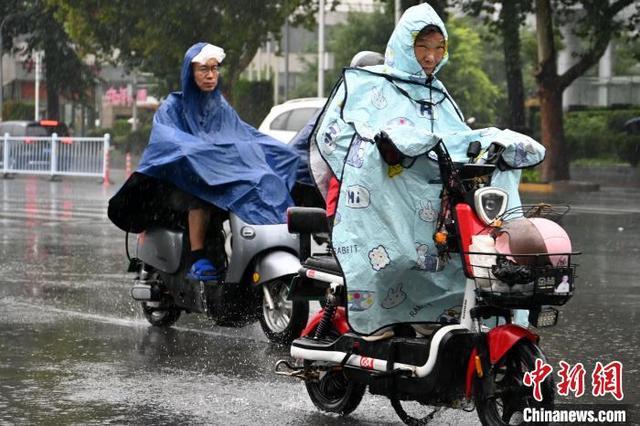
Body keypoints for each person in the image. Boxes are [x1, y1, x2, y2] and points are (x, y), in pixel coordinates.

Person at [311, 4, 545, 335]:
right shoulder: (370, 84)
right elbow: (335, 136)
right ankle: (383, 317)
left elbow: (457, 138)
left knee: (464, 244)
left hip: (433, 192)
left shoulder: (438, 93)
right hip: (381, 193)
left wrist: (492, 142)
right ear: (405, 46)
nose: (430, 56)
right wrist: (383, 151)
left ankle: (437, 314)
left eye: (438, 48)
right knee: (400, 255)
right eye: (422, 47)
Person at [108, 43, 300, 281]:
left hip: (219, 177)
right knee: (199, 197)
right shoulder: (172, 107)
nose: (210, 75)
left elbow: (242, 136)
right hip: (178, 185)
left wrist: (284, 154)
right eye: (203, 69)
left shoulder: (221, 109)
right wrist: (197, 154)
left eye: (214, 68)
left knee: (265, 180)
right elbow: (167, 140)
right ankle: (197, 258)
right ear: (190, 73)